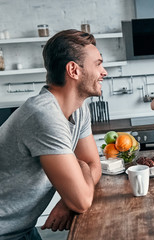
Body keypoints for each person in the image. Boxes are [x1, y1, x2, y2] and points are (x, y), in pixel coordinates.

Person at [0, 29, 106, 239]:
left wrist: (67, 199)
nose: (104, 72)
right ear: (73, 70)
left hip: (22, 228)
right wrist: (81, 169)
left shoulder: (79, 108)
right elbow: (82, 200)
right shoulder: (43, 115)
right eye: (98, 64)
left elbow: (95, 166)